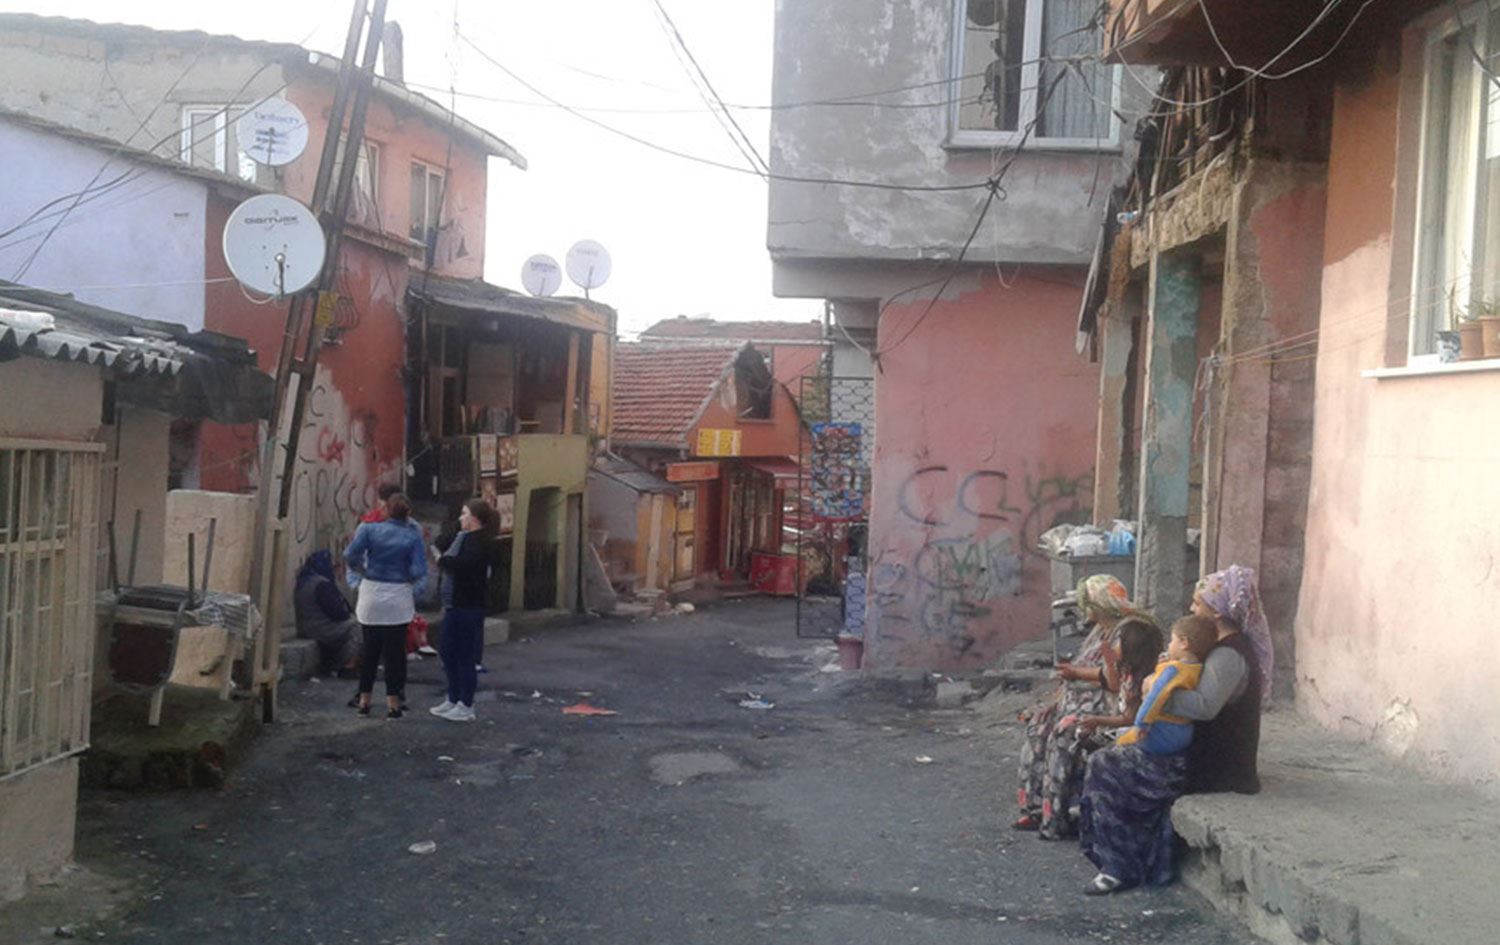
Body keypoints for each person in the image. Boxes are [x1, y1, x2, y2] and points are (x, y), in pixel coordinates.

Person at [1076, 566, 1271, 895]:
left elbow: (1204, 706)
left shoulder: (1228, 654)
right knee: (1105, 755)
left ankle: (1118, 866)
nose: (1192, 608)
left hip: (1214, 765)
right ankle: (1126, 854)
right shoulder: (1216, 646)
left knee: (1104, 764)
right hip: (1197, 750)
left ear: (1217, 610)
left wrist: (1154, 691)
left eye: (1198, 603)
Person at [1015, 574, 1154, 838]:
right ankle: (1035, 808)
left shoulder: (1128, 631)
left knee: (1064, 733)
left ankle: (1057, 817)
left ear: (1098, 603)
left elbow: (1114, 681)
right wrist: (1055, 701)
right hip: (1082, 702)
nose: (1082, 608)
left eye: (1086, 602)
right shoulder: (1101, 629)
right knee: (1038, 726)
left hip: (1106, 708)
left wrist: (1077, 673)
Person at [1039, 617, 1162, 840]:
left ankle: (1057, 817)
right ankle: (1057, 813)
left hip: (1128, 734)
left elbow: (1129, 719)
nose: (1114, 644)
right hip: (1118, 728)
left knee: (1068, 736)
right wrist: (1108, 656)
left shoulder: (1141, 681)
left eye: (1119, 641)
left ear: (1131, 647)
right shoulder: (1128, 672)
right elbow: (1111, 681)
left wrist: (1096, 720)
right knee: (1066, 733)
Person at [343, 492, 427, 719]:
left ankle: (364, 701)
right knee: (394, 654)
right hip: (398, 596)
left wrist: (363, 572)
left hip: (371, 593)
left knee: (370, 650)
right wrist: (407, 579)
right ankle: (393, 705)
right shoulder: (413, 535)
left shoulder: (368, 530)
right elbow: (418, 570)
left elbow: (350, 555)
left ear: (386, 510)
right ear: (408, 513)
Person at [430, 499, 499, 723]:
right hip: (454, 603)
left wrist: (443, 560)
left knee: (464, 655)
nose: (461, 517)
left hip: (467, 604)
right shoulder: (462, 537)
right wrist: (455, 530)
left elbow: (462, 565)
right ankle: (453, 698)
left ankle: (466, 705)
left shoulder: (479, 542)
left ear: (475, 518)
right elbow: (442, 541)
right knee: (448, 651)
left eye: (464, 513)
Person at [1115, 616, 1217, 755]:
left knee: (1117, 743)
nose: (1169, 645)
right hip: (1183, 729)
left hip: (1163, 730)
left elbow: (1155, 697)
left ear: (1184, 643)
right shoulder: (1196, 668)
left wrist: (1140, 724)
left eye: (1172, 640)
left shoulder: (1173, 670)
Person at [292, 550, 359, 676]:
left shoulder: (305, 581)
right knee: (357, 626)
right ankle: (348, 665)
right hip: (319, 628)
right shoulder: (321, 584)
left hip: (306, 627)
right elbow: (338, 613)